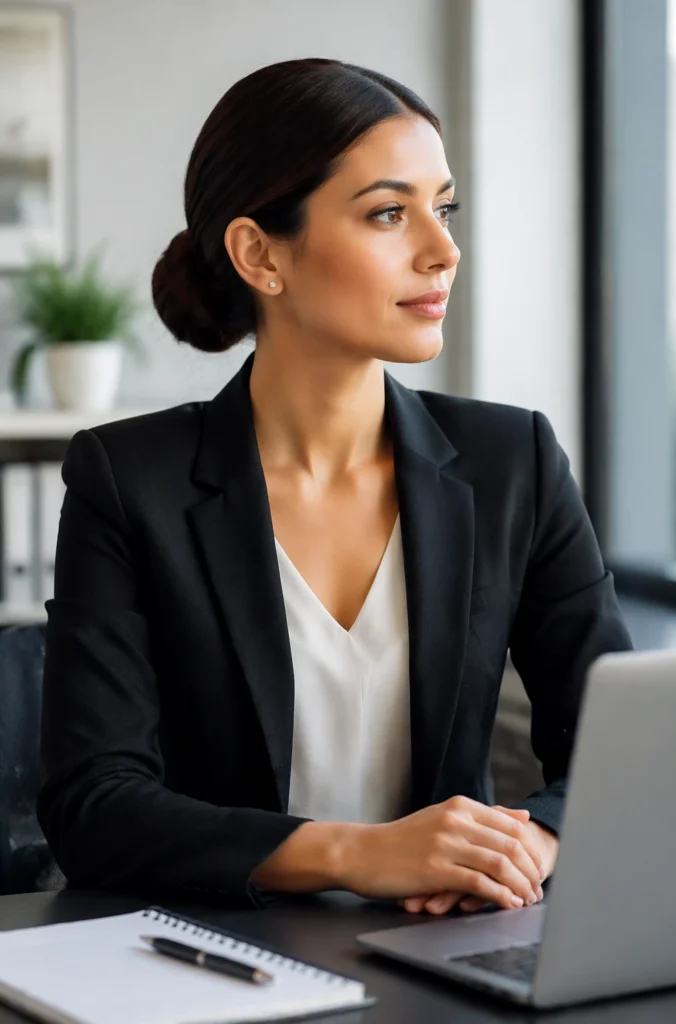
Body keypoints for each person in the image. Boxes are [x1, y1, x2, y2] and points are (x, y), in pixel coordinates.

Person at [37, 57, 633, 917]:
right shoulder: (130, 479)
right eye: (389, 213)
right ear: (259, 254)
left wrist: (531, 843)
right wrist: (358, 854)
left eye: (443, 207)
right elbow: (93, 808)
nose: (443, 250)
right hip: (219, 951)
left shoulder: (515, 460)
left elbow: (618, 753)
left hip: (449, 944)